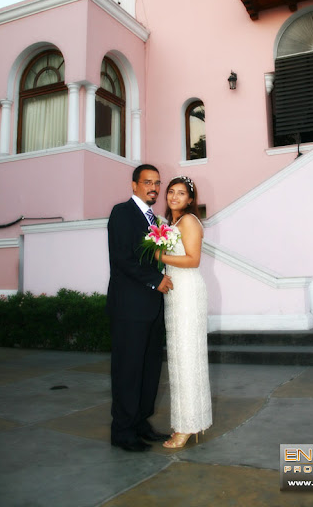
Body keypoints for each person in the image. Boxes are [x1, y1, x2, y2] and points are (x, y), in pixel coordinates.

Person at [106, 164, 173, 452]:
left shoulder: (155, 220)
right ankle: (122, 430)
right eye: (147, 182)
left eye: (157, 183)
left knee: (149, 370)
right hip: (129, 308)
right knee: (128, 370)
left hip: (153, 308)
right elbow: (122, 258)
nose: (154, 188)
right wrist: (155, 279)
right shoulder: (122, 213)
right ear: (134, 185)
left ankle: (141, 422)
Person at [156, 176, 212, 449]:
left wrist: (159, 256)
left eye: (181, 193)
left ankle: (187, 426)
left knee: (187, 357)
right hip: (176, 293)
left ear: (190, 199)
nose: (175, 197)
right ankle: (190, 422)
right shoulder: (172, 224)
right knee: (180, 357)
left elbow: (193, 259)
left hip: (188, 292)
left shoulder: (189, 221)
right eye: (171, 192)